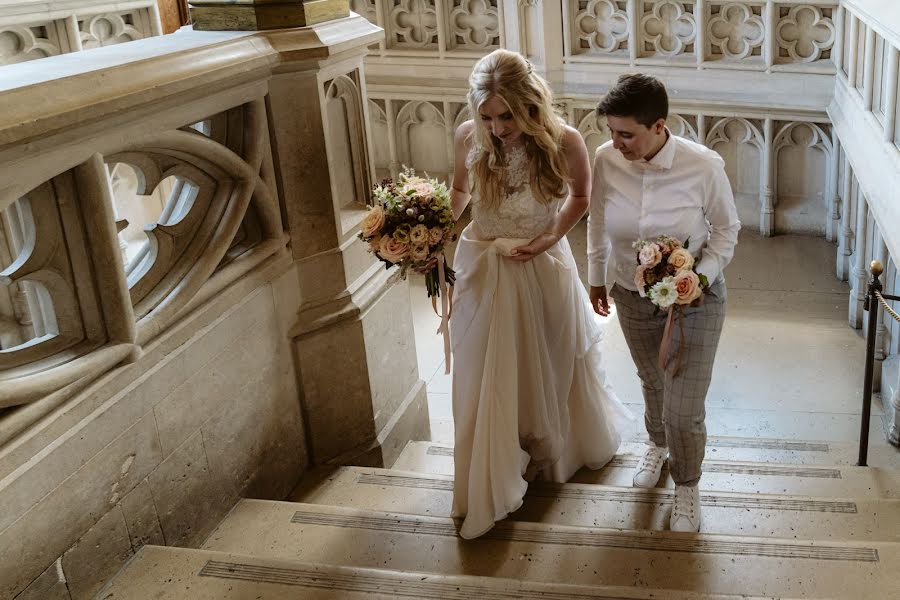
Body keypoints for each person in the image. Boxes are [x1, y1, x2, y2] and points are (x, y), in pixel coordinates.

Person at [448, 49, 630, 540]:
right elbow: (462, 191)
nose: (498, 127)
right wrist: (434, 225)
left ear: (530, 105)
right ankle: (497, 458)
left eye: (507, 115)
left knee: (545, 361)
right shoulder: (469, 136)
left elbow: (581, 196)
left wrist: (550, 237)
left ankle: (546, 449)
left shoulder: (564, 140)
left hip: (539, 266)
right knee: (485, 367)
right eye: (487, 116)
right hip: (484, 268)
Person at [587, 73, 741, 532]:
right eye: (611, 131)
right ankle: (656, 445)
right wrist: (597, 279)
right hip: (629, 295)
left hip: (697, 301)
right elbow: (596, 221)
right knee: (652, 382)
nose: (616, 142)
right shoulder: (605, 159)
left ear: (659, 125)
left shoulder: (704, 165)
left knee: (684, 406)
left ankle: (687, 486)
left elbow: (726, 231)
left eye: (626, 133)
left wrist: (698, 277)